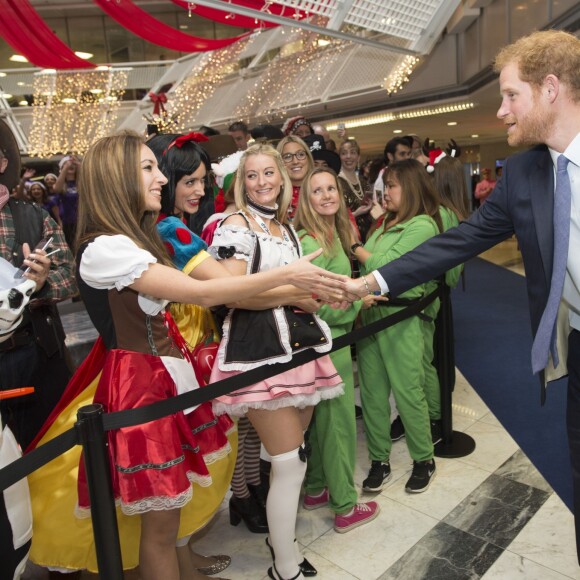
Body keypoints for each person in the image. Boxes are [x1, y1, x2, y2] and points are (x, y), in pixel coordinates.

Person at [46, 131, 344, 580]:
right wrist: (290, 276)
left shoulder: (132, 238)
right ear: (116, 177)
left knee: (173, 512)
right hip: (142, 389)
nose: (161, 180)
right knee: (161, 525)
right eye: (148, 169)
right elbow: (205, 292)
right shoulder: (106, 248)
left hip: (166, 375)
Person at [343, 29, 580, 560]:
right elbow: (459, 241)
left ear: (549, 89)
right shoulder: (524, 174)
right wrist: (372, 281)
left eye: (510, 95)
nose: (500, 111)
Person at [208, 144, 345, 580]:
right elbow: (232, 294)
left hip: (299, 348)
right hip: (258, 351)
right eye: (253, 175)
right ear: (239, 182)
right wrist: (294, 291)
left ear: (283, 180)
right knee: (289, 463)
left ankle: (284, 541)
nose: (262, 182)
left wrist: (329, 292)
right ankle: (285, 565)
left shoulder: (283, 228)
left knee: (287, 458)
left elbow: (297, 292)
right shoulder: (234, 224)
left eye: (270, 173)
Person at [294, 167, 381, 532]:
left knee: (321, 424)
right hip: (329, 344)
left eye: (332, 188)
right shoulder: (312, 240)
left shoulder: (329, 234)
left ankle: (316, 488)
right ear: (306, 199)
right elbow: (312, 302)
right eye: (318, 190)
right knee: (339, 426)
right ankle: (345, 506)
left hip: (326, 343)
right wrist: (358, 301)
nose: (327, 195)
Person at [351, 159, 442, 495]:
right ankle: (379, 461)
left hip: (402, 319)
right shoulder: (385, 224)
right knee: (373, 394)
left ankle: (423, 459)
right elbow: (368, 275)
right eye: (385, 185)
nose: (385, 192)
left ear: (411, 188)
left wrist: (353, 246)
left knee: (408, 392)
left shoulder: (422, 226)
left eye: (391, 185)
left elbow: (384, 266)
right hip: (372, 315)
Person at [0, 119, 77, 451]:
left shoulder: (34, 216)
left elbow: (71, 276)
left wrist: (43, 282)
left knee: (49, 453)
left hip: (35, 353)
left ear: (3, 163)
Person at [277, 135, 314, 221]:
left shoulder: (323, 189)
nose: (295, 161)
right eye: (287, 157)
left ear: (308, 158)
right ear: (279, 162)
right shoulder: (274, 196)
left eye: (300, 154)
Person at [53, 154, 81, 248]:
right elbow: (56, 189)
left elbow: (90, 183)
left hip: (82, 221)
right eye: (67, 163)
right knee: (72, 247)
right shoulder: (62, 185)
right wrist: (65, 168)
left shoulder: (81, 182)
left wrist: (79, 165)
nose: (70, 165)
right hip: (68, 222)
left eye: (72, 163)